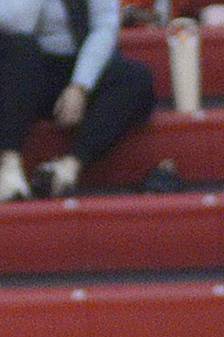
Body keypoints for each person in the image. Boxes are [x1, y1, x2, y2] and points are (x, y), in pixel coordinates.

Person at [0, 0, 153, 201]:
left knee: (136, 78)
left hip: (78, 62)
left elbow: (105, 27)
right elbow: (16, 25)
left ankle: (67, 168)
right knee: (20, 49)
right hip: (24, 66)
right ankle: (9, 165)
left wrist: (80, 86)